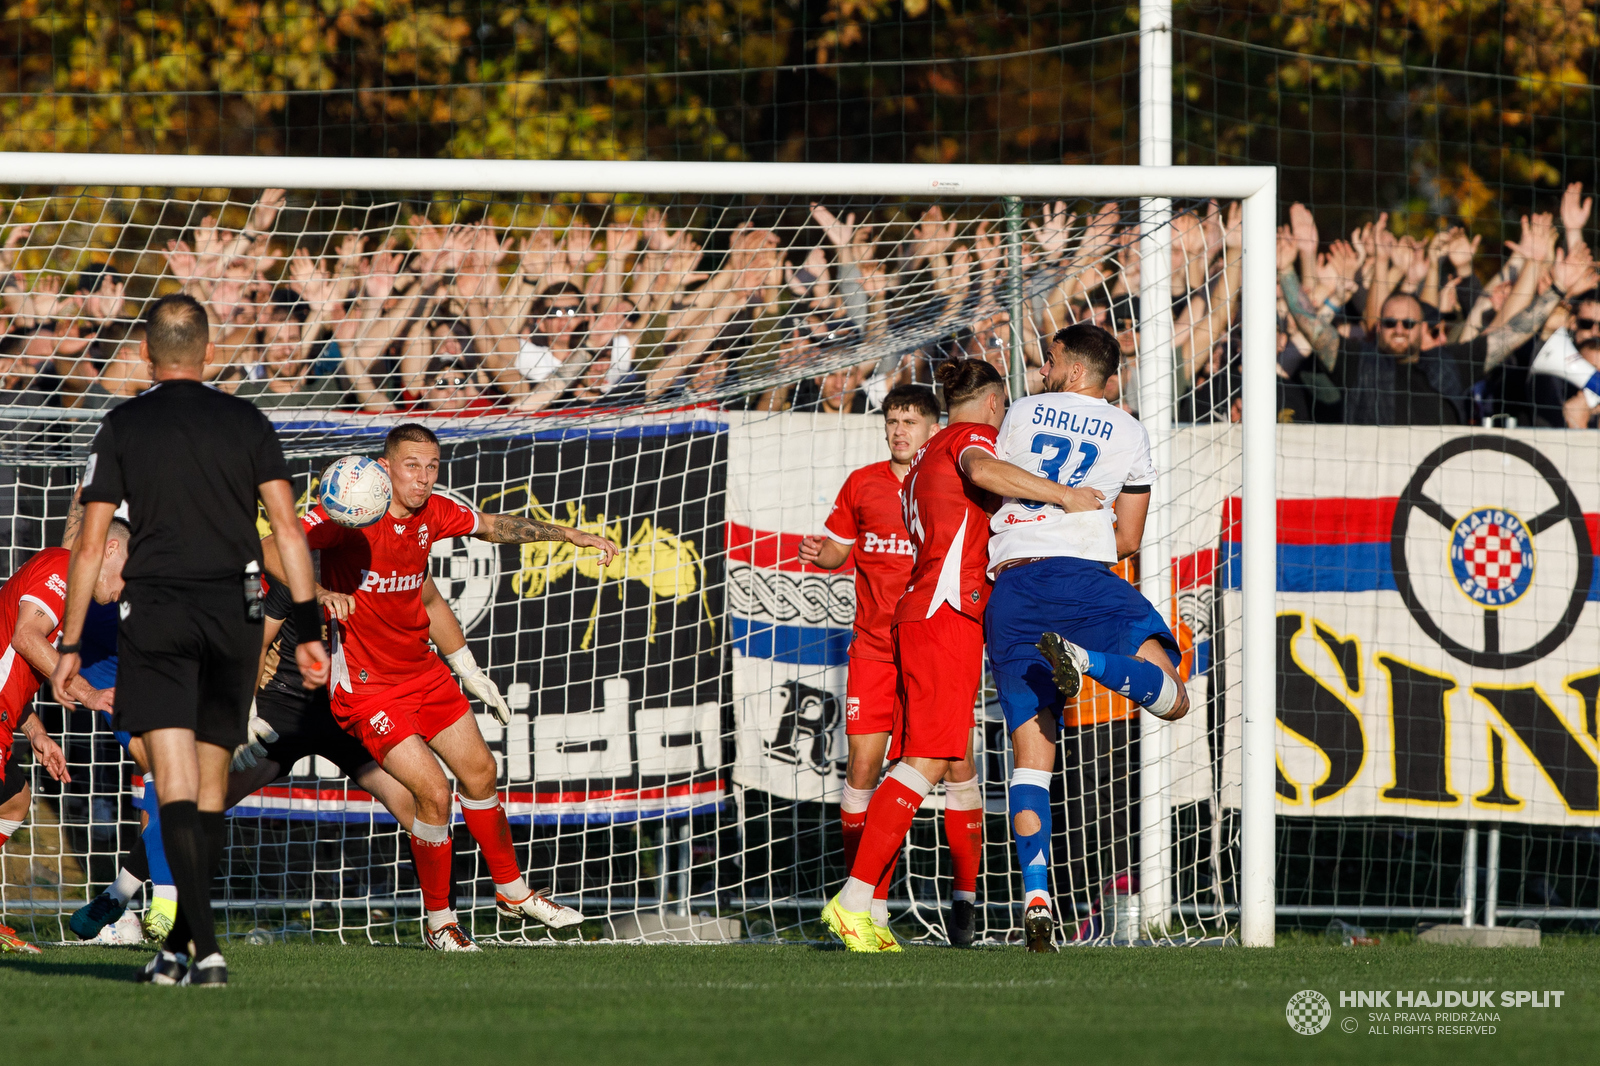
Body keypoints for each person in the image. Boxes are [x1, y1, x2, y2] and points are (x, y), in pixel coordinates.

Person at [51, 293, 329, 988]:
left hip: (161, 617)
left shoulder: (122, 425)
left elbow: (90, 547)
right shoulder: (247, 419)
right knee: (207, 789)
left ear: (146, 354)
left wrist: (69, 643)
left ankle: (197, 951)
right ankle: (185, 950)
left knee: (171, 783)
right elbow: (287, 533)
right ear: (210, 352)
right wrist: (308, 629)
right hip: (233, 617)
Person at [260, 422, 620, 951]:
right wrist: (314, 590)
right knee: (432, 792)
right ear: (385, 468)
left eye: (432, 466)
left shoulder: (435, 511)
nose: (424, 478)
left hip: (424, 674)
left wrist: (571, 535)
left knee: (482, 772)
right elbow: (272, 548)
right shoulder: (349, 512)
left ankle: (513, 892)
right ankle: (439, 922)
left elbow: (493, 527)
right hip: (366, 689)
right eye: (412, 465)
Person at [820, 358, 1101, 952]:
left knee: (936, 754)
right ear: (995, 405)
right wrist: (1064, 496)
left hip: (928, 612)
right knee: (926, 759)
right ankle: (852, 902)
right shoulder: (968, 439)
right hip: (945, 612)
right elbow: (985, 469)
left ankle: (865, 904)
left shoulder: (924, 456)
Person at [982, 323, 1191, 953]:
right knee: (1176, 697)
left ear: (1074, 369)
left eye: (1049, 361)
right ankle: (1092, 661)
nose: (1042, 369)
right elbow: (1128, 539)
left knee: (1033, 756)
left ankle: (1038, 896)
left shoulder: (1020, 412)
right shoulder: (1130, 431)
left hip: (1015, 586)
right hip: (1085, 579)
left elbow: (992, 475)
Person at [799, 384, 985, 947]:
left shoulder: (951, 478)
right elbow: (838, 546)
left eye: (911, 420)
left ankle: (964, 900)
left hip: (930, 639)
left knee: (954, 761)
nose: (900, 430)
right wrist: (822, 553)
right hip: (876, 649)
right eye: (893, 420)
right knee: (863, 769)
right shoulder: (865, 483)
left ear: (935, 427)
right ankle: (871, 905)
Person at [0, 533, 125, 953]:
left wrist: (35, 731)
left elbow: (11, 659)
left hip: (5, 716)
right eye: (130, 571)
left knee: (15, 800)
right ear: (109, 548)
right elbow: (24, 638)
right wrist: (88, 692)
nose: (128, 587)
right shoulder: (63, 568)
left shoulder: (68, 588)